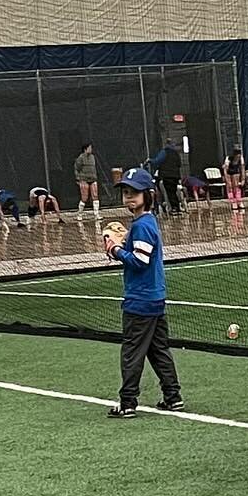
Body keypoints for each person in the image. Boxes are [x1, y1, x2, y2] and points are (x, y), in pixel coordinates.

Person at [103, 166, 183, 417]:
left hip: (140, 300)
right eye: (126, 192)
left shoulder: (143, 225)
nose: (129, 197)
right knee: (158, 350)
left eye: (135, 192)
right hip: (154, 298)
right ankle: (173, 396)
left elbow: (139, 261)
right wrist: (123, 241)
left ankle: (127, 402)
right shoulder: (144, 223)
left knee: (132, 352)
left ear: (148, 194)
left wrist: (114, 250)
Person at [151, 142, 184, 216]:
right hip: (175, 175)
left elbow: (157, 161)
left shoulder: (164, 152)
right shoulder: (176, 153)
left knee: (169, 192)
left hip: (167, 175)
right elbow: (179, 164)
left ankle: (173, 209)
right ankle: (177, 207)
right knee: (174, 191)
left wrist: (150, 160)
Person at [73, 142, 101, 219]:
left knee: (95, 196)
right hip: (84, 179)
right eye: (89, 148)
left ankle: (96, 214)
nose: (91, 149)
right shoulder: (81, 158)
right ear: (85, 149)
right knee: (84, 197)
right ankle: (80, 214)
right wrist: (78, 179)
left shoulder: (92, 157)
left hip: (93, 178)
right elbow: (77, 168)